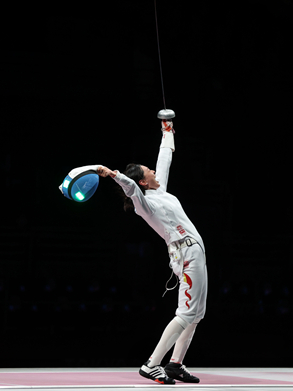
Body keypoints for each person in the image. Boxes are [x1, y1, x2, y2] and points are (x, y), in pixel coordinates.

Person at [97, 116, 208, 385]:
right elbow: (132, 189)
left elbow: (165, 157)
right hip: (185, 255)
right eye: (149, 172)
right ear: (143, 182)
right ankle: (151, 364)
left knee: (196, 313)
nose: (154, 173)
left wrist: (167, 131)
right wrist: (114, 175)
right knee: (185, 313)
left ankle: (175, 364)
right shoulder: (144, 204)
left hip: (195, 253)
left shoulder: (160, 193)